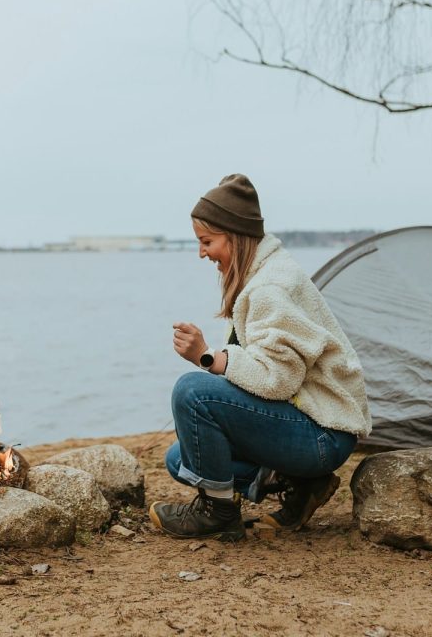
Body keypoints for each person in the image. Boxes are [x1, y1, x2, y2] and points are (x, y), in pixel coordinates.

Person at [148, 174, 371, 541]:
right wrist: (212, 361)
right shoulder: (258, 278)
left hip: (323, 434)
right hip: (305, 422)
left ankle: (218, 511)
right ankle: (302, 484)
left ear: (233, 236)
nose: (202, 253)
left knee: (192, 391)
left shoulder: (270, 288)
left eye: (207, 242)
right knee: (182, 459)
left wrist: (207, 357)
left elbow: (277, 380)